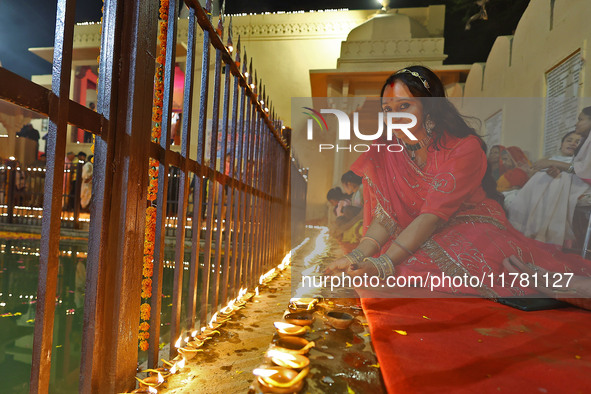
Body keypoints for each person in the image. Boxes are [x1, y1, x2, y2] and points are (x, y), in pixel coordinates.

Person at [325, 65, 590, 302]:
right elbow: (385, 217)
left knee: (410, 265)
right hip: (416, 230)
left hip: (469, 223)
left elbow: (431, 216)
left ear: (430, 107)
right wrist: (356, 256)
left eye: (404, 106)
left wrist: (383, 264)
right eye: (387, 109)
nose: (395, 117)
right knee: (396, 261)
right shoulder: (387, 151)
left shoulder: (465, 148)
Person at [507, 131, 589, 246]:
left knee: (557, 180)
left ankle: (543, 235)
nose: (573, 144)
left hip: (561, 188)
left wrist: (559, 174)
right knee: (543, 178)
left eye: (577, 142)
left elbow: (577, 176)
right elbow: (533, 175)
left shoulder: (577, 162)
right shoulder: (548, 159)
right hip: (539, 188)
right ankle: (531, 231)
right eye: (569, 140)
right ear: (561, 144)